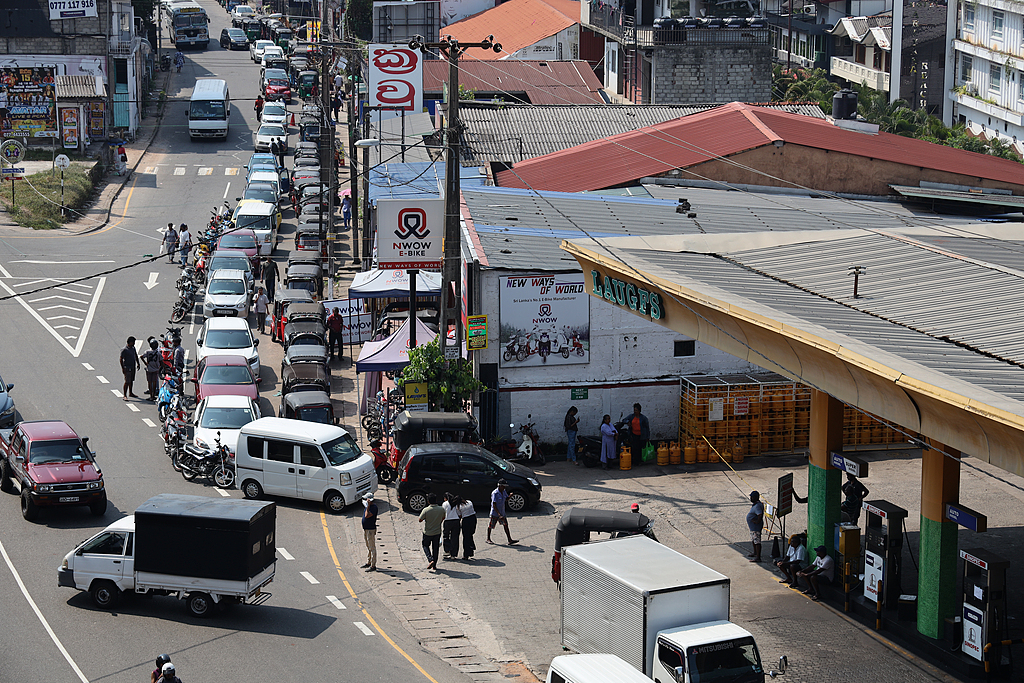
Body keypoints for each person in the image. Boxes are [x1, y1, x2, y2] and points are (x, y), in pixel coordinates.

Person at [486, 480, 518, 545]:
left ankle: (510, 539)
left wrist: (510, 496)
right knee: (491, 526)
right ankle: (488, 538)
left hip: (502, 512)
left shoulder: (503, 491)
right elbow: (494, 505)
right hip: (495, 513)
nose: (504, 488)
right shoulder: (495, 493)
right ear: (500, 486)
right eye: (503, 486)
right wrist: (499, 514)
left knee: (505, 525)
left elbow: (506, 499)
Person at [418, 493, 445, 570]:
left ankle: (430, 559)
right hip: (437, 532)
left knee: (425, 545)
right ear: (436, 500)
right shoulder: (441, 509)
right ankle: (434, 565)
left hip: (428, 532)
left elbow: (420, 520)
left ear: (428, 501)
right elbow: (443, 517)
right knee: (435, 548)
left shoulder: (426, 510)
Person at [442, 493, 463, 560]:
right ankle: (453, 554)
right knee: (455, 538)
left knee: (446, 536)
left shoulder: (445, 504)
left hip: (447, 521)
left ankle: (447, 551)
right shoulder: (456, 504)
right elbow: (459, 514)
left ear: (446, 498)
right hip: (456, 522)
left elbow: (443, 513)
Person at [361, 492, 378, 572]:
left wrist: (368, 506)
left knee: (372, 547)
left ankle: (373, 565)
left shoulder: (373, 507)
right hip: (366, 529)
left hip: (370, 530)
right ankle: (369, 562)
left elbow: (367, 515)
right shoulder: (368, 506)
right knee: (368, 546)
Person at [119, 336, 140, 400]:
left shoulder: (133, 348)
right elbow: (121, 359)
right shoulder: (125, 350)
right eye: (133, 342)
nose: (134, 343)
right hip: (127, 367)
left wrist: (138, 363)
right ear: (130, 342)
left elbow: (135, 355)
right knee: (127, 381)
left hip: (132, 366)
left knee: (131, 380)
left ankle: (131, 392)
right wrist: (123, 368)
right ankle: (124, 395)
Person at [746, 491, 764, 563]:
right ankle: (755, 552)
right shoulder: (755, 505)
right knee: (754, 540)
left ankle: (758, 557)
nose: (751, 498)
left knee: (757, 542)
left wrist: (757, 521)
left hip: (756, 527)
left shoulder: (757, 506)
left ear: (756, 497)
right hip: (752, 528)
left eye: (752, 497)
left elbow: (760, 514)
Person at [458, 496, 477, 561]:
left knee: (466, 538)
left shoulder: (459, 507)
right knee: (470, 535)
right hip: (473, 519)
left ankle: (466, 554)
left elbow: (460, 516)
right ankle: (471, 549)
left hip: (466, 521)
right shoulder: (469, 502)